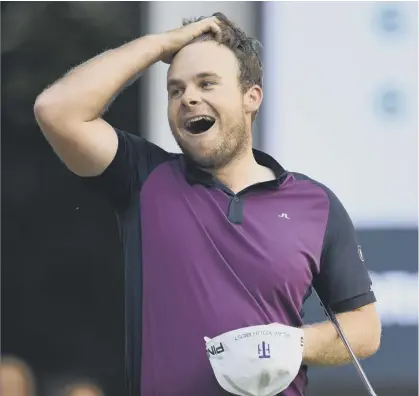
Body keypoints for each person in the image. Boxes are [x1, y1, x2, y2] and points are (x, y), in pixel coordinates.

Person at [34, 12, 382, 396]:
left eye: (206, 83)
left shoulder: (316, 203)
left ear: (252, 97)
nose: (189, 98)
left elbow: (364, 328)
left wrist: (290, 344)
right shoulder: (144, 178)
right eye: (175, 90)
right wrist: (159, 44)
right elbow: (56, 109)